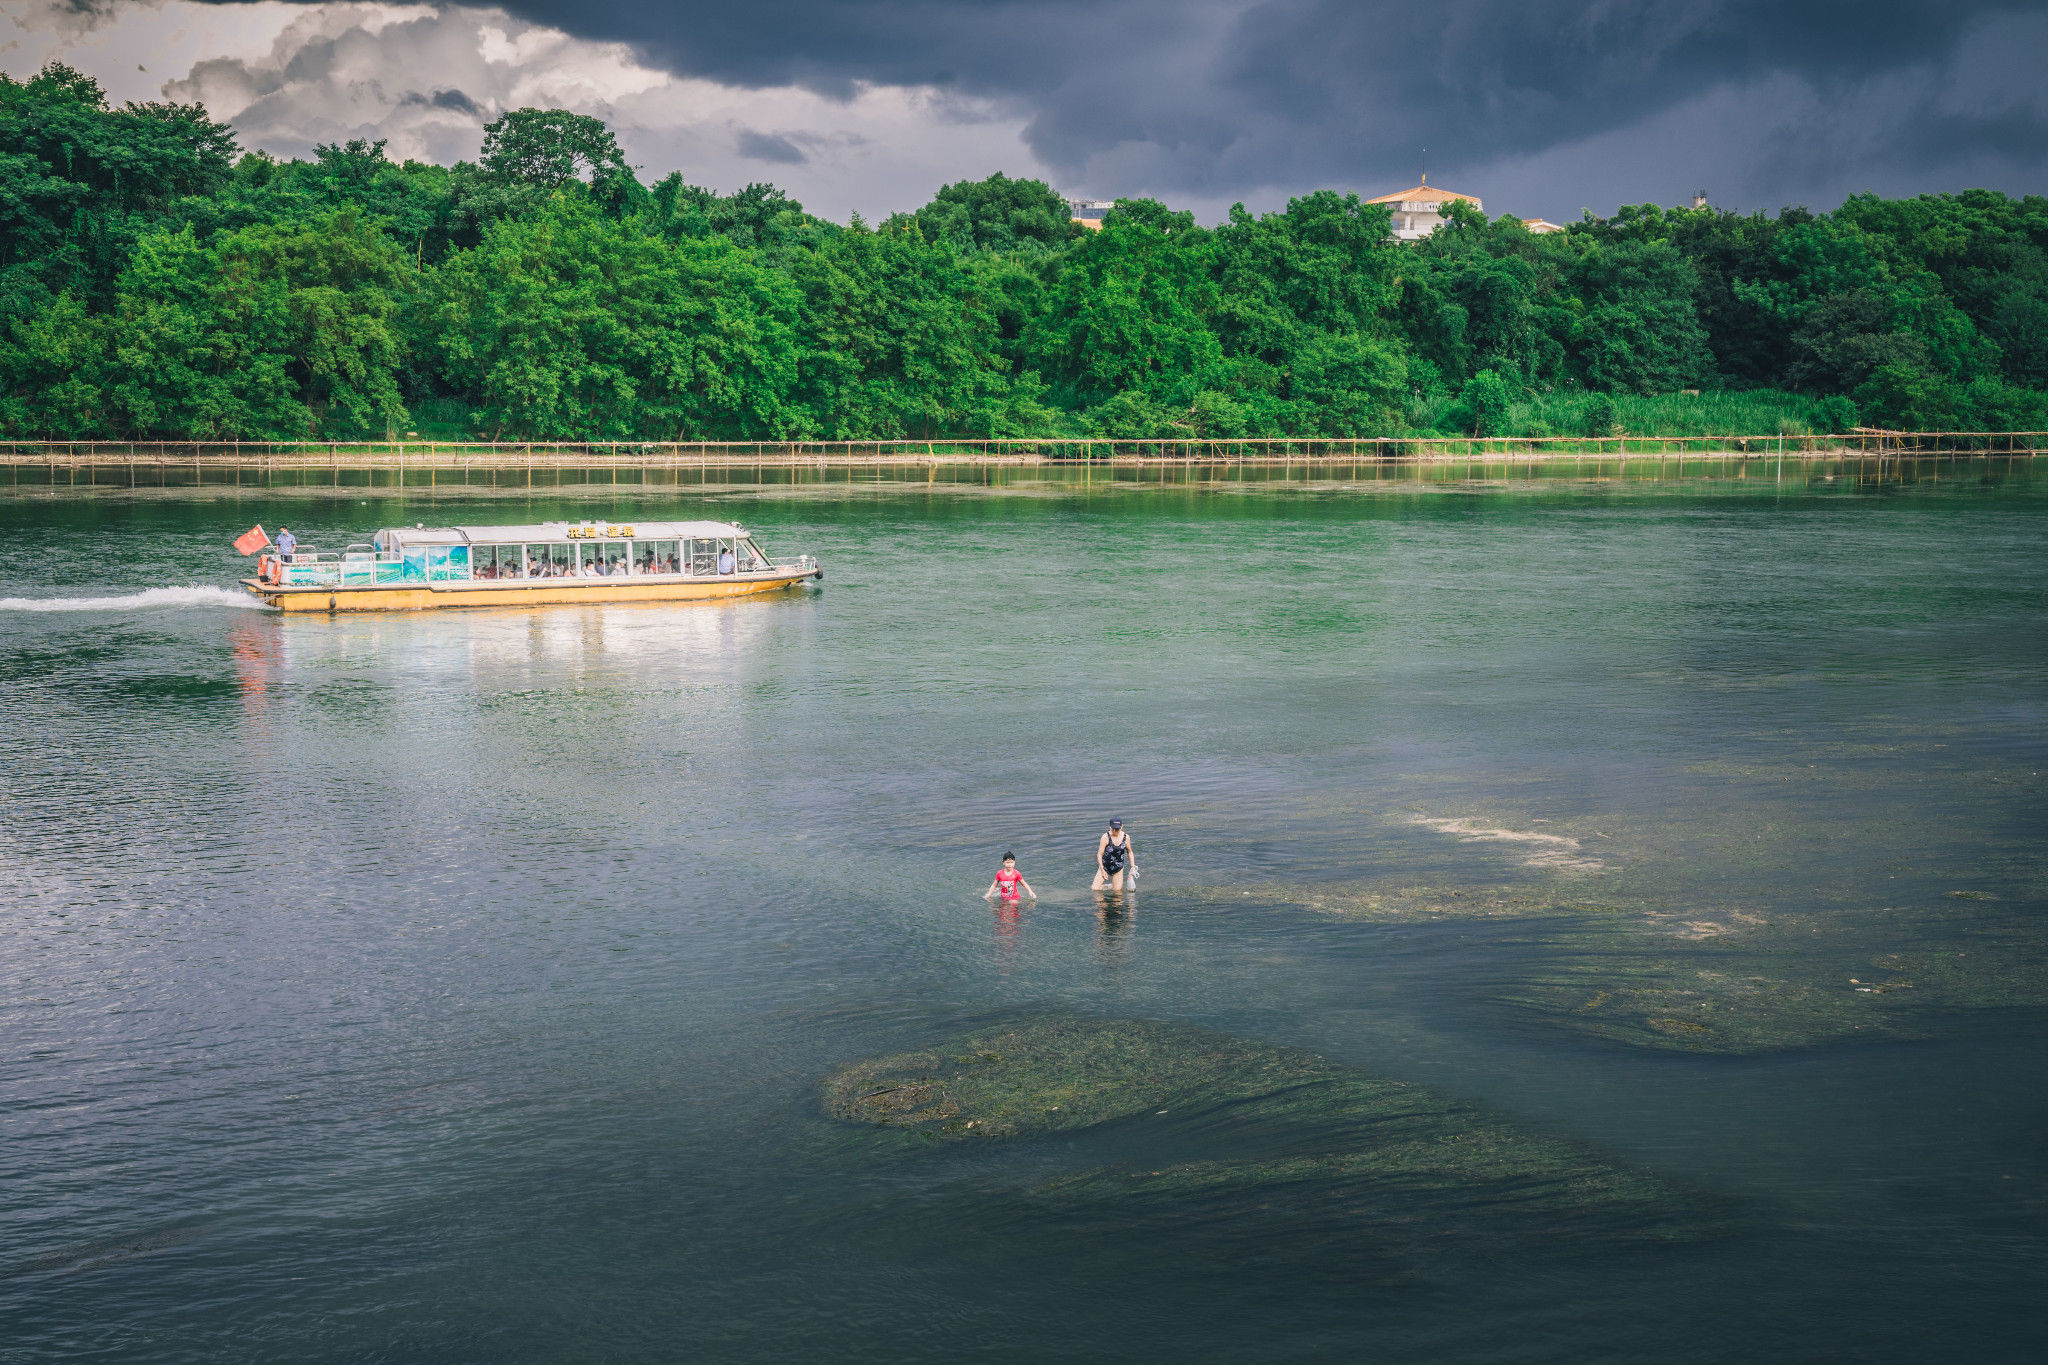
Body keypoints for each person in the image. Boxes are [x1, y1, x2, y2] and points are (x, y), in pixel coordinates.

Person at [1092, 818, 1135, 892]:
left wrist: (1132, 867)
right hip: (1105, 866)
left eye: (1117, 829)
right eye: (1113, 829)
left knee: (1117, 892)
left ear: (1122, 827)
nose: (1115, 831)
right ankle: (1110, 886)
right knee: (1095, 889)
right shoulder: (1105, 837)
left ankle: (1114, 885)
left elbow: (1130, 852)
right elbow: (1099, 854)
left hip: (1118, 867)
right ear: (1110, 827)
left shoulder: (1126, 837)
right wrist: (1102, 869)